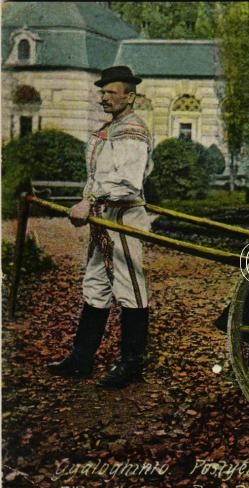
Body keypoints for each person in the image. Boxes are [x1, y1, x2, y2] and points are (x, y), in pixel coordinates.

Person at [47, 65, 153, 389]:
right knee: (95, 284)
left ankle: (132, 364)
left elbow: (128, 184)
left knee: (131, 288)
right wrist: (89, 202)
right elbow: (97, 176)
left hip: (124, 220)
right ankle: (81, 357)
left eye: (111, 92)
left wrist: (89, 203)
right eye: (102, 92)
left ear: (130, 96)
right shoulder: (109, 129)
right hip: (102, 219)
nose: (104, 98)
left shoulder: (133, 131)